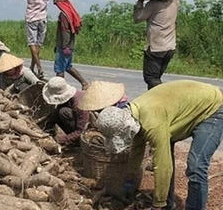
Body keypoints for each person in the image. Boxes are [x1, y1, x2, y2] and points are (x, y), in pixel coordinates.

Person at [95, 80, 223, 210]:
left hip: (212, 108)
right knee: (165, 153)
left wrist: (157, 205)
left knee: (196, 166)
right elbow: (137, 149)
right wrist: (130, 179)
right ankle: (168, 204)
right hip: (184, 109)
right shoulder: (134, 114)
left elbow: (163, 166)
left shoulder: (152, 122)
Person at [133, 0, 180, 90]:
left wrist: (141, 0)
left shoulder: (153, 5)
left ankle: (165, 96)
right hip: (170, 48)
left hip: (156, 48)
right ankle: (153, 102)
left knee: (151, 78)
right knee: (156, 78)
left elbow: (137, 18)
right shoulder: (174, 3)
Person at [17, 0, 56, 79]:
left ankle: (39, 68)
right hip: (43, 18)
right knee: (38, 44)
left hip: (31, 17)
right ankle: (32, 67)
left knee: (32, 43)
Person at [52, 0, 88, 90]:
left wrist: (64, 46)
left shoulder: (63, 15)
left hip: (65, 46)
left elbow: (65, 31)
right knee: (68, 67)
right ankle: (84, 83)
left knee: (59, 70)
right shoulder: (70, 12)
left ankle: (59, 90)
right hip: (69, 45)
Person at [41, 76, 89, 148]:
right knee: (58, 111)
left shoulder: (80, 105)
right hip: (77, 124)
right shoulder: (67, 100)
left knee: (63, 111)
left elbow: (81, 132)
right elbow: (54, 115)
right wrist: (45, 129)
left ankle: (76, 143)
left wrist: (61, 140)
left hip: (86, 131)